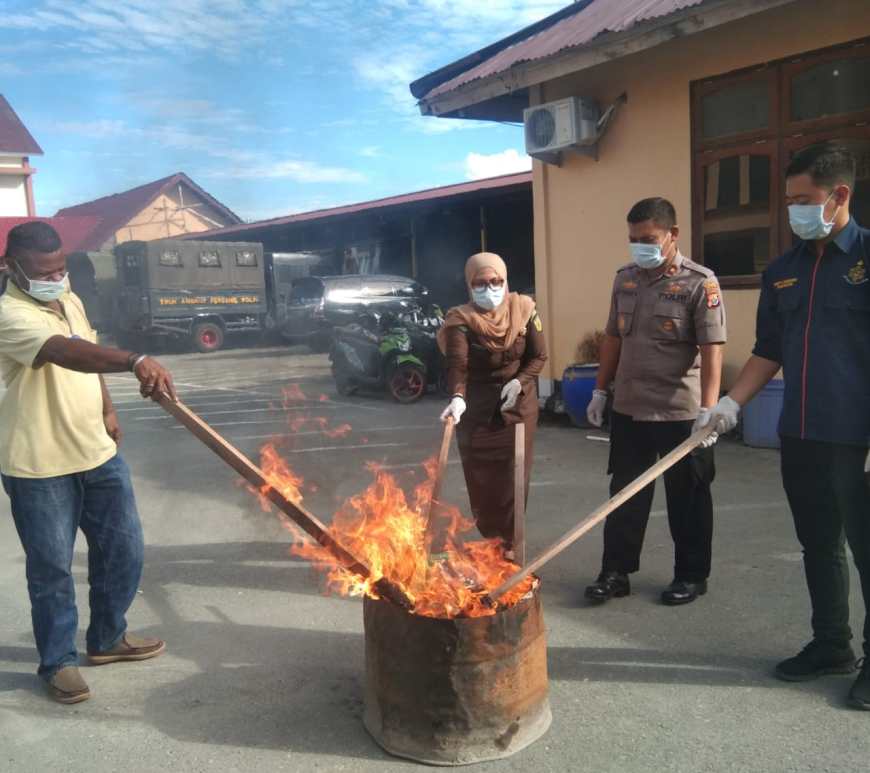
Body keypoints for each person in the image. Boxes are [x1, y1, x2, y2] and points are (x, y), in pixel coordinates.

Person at [702, 143, 870, 710]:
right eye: (790, 200)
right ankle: (831, 645)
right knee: (818, 545)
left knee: (868, 549)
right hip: (800, 433)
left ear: (839, 195)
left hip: (858, 438)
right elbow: (768, 349)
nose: (793, 211)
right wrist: (729, 404)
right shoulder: (782, 272)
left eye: (803, 200)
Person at [0, 221, 178, 705]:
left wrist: (107, 409)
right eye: (44, 272)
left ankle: (107, 638)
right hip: (38, 464)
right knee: (52, 569)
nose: (56, 278)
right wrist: (134, 359)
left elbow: (89, 351)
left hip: (96, 451)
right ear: (11, 267)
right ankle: (58, 663)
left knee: (124, 549)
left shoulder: (69, 298)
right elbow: (65, 352)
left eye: (61, 268)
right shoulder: (9, 314)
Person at [585, 197, 726, 606]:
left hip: (681, 411)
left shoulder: (700, 282)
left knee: (689, 496)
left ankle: (691, 576)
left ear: (672, 235)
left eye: (648, 239)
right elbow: (612, 338)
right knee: (625, 495)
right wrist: (600, 390)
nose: (639, 246)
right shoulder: (625, 279)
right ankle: (615, 572)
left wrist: (709, 409)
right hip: (630, 407)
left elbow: (713, 348)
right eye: (633, 239)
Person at [438, 252, 546, 551]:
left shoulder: (525, 310)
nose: (490, 288)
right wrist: (458, 397)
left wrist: (520, 381)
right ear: (469, 285)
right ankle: (492, 541)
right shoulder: (460, 320)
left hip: (518, 408)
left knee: (514, 481)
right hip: (476, 412)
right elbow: (458, 364)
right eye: (481, 283)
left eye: (496, 281)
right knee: (482, 482)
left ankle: (511, 545)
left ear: (505, 280)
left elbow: (539, 356)